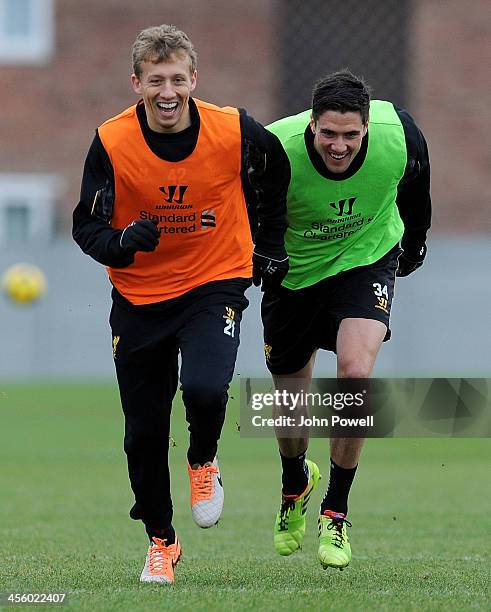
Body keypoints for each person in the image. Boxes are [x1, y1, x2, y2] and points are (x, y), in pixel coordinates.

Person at [72, 24, 289, 585]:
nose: (166, 92)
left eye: (176, 79)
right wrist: (120, 244)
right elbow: (85, 225)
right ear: (136, 83)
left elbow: (277, 173)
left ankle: (202, 460)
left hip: (214, 280)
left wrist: (268, 244)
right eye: (154, 81)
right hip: (140, 297)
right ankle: (162, 542)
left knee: (205, 388)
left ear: (193, 79)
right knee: (143, 432)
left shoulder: (234, 130)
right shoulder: (112, 141)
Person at [263, 69, 431, 569]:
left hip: (366, 257)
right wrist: (262, 257)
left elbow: (417, 186)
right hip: (295, 275)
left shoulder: (398, 135)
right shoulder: (277, 148)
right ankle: (296, 483)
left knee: (356, 375)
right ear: (311, 124)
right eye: (329, 134)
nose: (339, 146)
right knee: (291, 400)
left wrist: (415, 241)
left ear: (366, 129)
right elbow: (253, 213)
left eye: (351, 135)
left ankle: (335, 509)